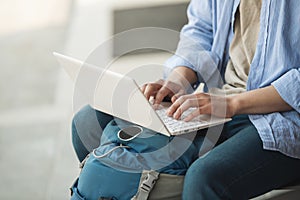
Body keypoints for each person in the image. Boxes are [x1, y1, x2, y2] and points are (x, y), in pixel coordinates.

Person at [72, 0, 300, 199]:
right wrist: (177, 80)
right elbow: (201, 29)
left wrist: (232, 104)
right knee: (88, 121)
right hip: (221, 98)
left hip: (283, 116)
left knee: (204, 178)